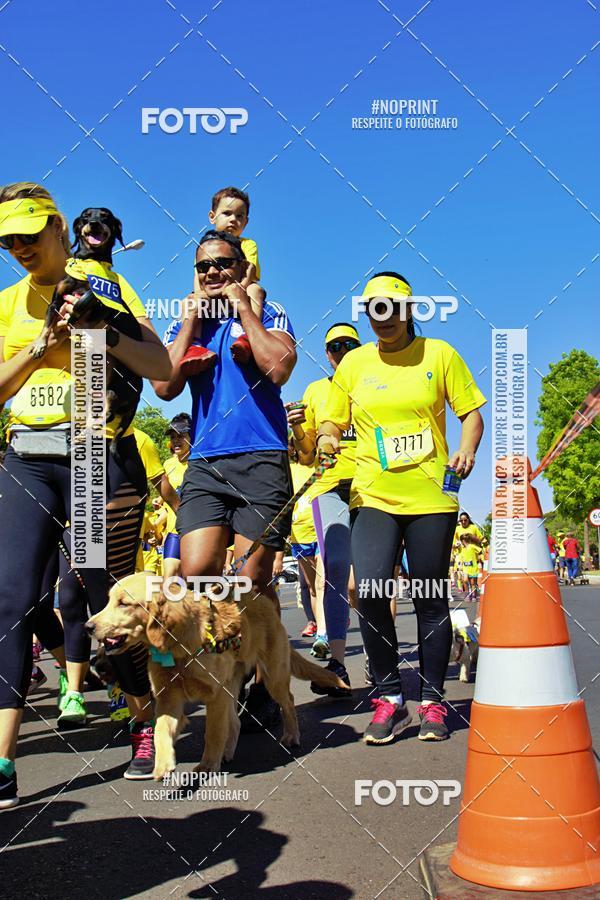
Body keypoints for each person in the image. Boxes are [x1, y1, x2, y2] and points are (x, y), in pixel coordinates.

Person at [0, 183, 172, 807]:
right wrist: (39, 349)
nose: (19, 247)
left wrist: (105, 327)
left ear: (58, 230)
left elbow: (163, 370)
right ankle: (2, 759)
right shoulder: (7, 302)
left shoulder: (104, 286)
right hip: (27, 458)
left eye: (30, 234)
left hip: (92, 459)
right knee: (13, 599)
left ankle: (144, 723)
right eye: (7, 240)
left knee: (102, 595)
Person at [317, 271, 485, 744]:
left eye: (391, 308)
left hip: (432, 494)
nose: (382, 318)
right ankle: (390, 698)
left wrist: (467, 449)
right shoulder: (353, 365)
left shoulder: (440, 354)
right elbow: (332, 418)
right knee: (369, 590)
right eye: (374, 309)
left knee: (430, 597)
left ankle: (432, 702)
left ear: (409, 310)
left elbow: (471, 414)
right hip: (372, 492)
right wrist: (329, 437)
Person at [152, 228, 296, 730]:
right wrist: (191, 319)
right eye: (203, 266)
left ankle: (261, 680)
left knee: (252, 579)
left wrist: (244, 309)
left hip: (262, 456)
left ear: (242, 268)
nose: (213, 272)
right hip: (207, 463)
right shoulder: (186, 321)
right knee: (196, 573)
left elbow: (278, 369)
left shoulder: (267, 311)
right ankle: (225, 672)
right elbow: (165, 386)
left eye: (223, 264)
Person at [287, 324, 361, 693]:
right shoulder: (316, 390)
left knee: (377, 577)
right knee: (335, 571)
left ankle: (384, 661)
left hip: (373, 487)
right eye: (335, 346)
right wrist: (299, 430)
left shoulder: (372, 381)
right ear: (327, 354)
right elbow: (303, 454)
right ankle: (338, 664)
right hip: (330, 486)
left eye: (350, 343)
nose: (342, 350)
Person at [183, 187, 265, 372]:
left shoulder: (247, 244)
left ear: (246, 221)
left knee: (256, 290)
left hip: (240, 292)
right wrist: (199, 296)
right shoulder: (205, 247)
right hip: (212, 297)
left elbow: (249, 270)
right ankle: (195, 345)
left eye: (239, 216)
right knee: (188, 301)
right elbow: (198, 275)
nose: (233, 219)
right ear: (212, 216)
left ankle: (247, 336)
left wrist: (238, 292)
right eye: (227, 213)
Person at [160, 413, 192, 580]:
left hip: (196, 531)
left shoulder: (200, 463)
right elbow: (167, 503)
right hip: (174, 531)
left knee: (192, 581)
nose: (176, 440)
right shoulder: (167, 464)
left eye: (181, 436)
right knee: (169, 578)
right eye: (173, 437)